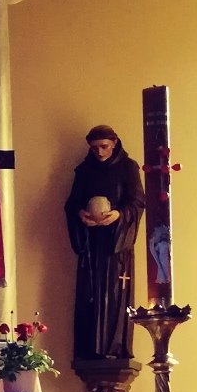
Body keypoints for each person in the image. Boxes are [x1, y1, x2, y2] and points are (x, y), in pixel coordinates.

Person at [61, 124, 145, 363]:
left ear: (115, 143)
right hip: (91, 244)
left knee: (114, 294)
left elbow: (138, 202)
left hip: (116, 245)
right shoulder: (84, 171)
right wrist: (81, 214)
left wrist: (119, 214)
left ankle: (114, 348)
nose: (99, 152)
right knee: (90, 293)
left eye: (104, 146)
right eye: (95, 147)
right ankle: (90, 349)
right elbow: (72, 204)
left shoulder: (128, 168)